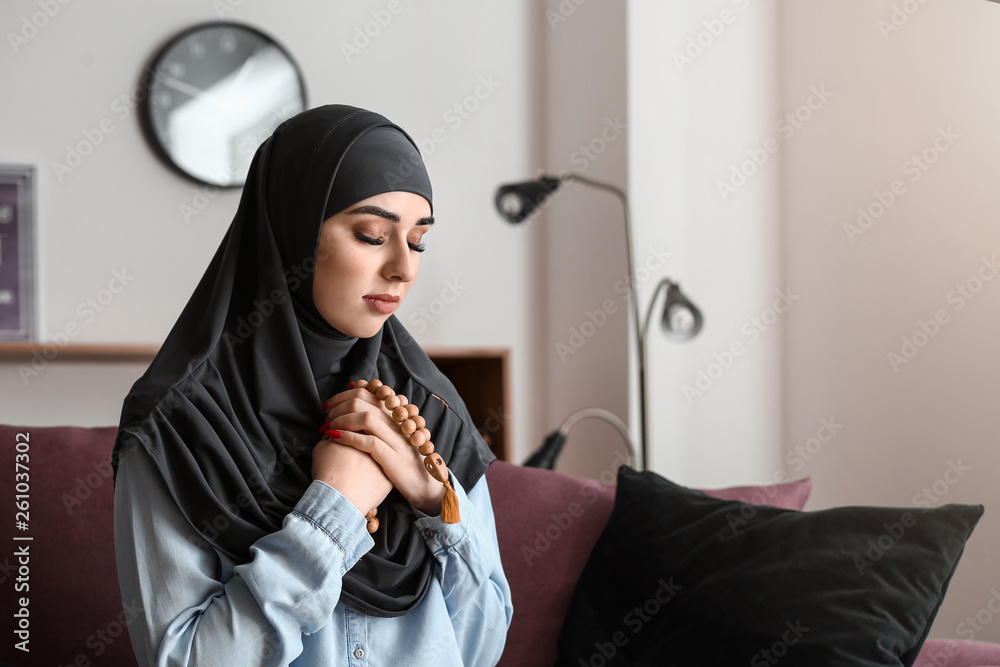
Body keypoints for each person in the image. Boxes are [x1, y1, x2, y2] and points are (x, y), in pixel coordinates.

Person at [111, 104, 513, 666]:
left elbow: (479, 647)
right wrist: (335, 512)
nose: (404, 268)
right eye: (373, 235)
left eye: (418, 241)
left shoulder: (427, 409)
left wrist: (433, 501)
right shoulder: (181, 425)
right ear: (292, 230)